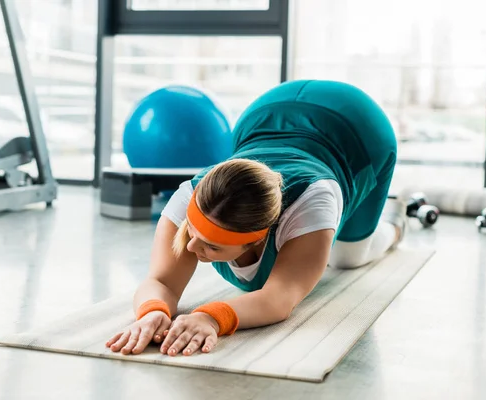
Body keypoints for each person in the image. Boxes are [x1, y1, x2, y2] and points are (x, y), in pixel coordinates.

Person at [105, 79, 407, 357]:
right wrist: (152, 311)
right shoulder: (189, 196)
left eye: (212, 246)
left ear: (260, 236)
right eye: (191, 231)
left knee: (347, 258)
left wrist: (209, 317)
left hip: (357, 129)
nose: (191, 248)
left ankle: (394, 224)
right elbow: (161, 281)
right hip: (265, 115)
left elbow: (279, 298)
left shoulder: (312, 202)